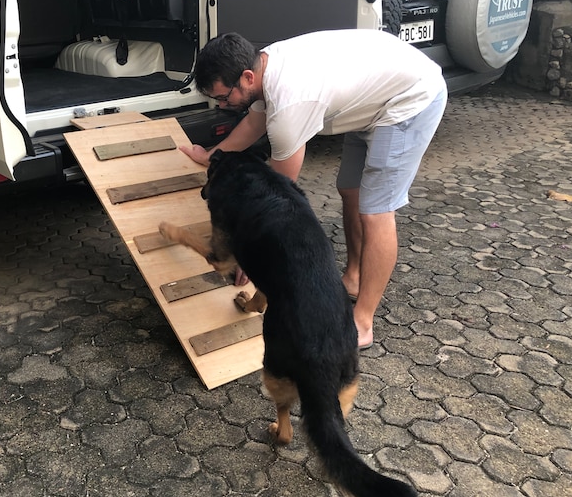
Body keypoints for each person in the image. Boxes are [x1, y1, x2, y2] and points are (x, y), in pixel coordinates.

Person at [181, 30, 447, 349]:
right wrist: (212, 155)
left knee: (376, 210)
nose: (224, 105)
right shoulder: (267, 64)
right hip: (375, 99)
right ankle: (353, 277)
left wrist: (250, 258)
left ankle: (362, 323)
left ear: (247, 77)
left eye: (224, 98)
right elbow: (253, 123)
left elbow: (277, 204)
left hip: (410, 100)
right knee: (350, 189)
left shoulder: (290, 106)